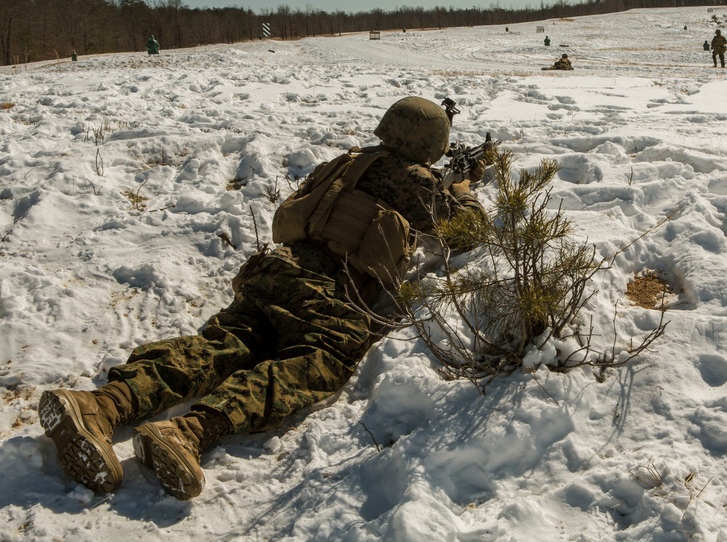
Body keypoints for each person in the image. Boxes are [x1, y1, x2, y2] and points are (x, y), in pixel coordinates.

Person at [39, 97, 488, 500]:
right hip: (329, 289)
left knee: (222, 344)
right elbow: (468, 232)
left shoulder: (346, 162)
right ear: (430, 144)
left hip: (275, 270)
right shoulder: (416, 181)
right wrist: (462, 189)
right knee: (321, 360)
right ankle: (189, 432)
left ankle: (102, 404)